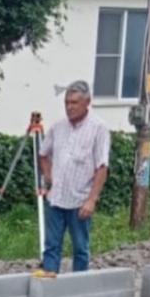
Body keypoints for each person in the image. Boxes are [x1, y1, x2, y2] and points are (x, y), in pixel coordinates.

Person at [35, 80, 111, 277]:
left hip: (80, 202)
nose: (69, 107)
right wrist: (48, 177)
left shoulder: (98, 128)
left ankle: (78, 289)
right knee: (51, 247)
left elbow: (101, 167)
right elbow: (43, 154)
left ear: (87, 102)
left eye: (74, 103)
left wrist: (92, 199)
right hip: (56, 199)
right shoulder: (58, 127)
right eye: (67, 102)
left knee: (80, 249)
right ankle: (49, 287)